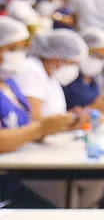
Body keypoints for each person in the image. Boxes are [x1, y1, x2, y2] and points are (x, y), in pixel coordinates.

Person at [10, 28, 104, 208]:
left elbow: (54, 118)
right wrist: (72, 120)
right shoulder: (32, 70)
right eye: (73, 63)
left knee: (97, 180)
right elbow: (37, 120)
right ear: (57, 59)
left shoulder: (52, 77)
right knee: (73, 188)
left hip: (45, 147)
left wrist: (76, 117)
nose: (75, 70)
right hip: (30, 156)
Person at [0, 17, 75, 208]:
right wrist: (39, 128)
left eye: (22, 49)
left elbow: (25, 125)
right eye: (12, 49)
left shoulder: (9, 83)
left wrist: (56, 125)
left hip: (15, 176)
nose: (19, 55)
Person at [61, 27, 104, 112]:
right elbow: (62, 114)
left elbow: (94, 100)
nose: (97, 61)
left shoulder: (93, 77)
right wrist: (94, 108)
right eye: (95, 55)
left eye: (102, 58)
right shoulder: (67, 77)